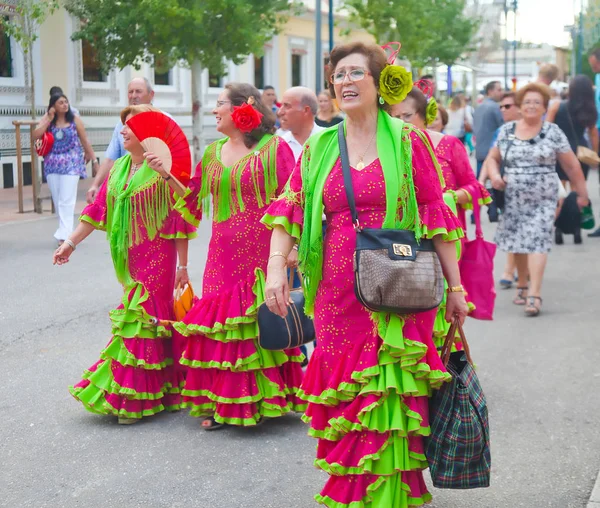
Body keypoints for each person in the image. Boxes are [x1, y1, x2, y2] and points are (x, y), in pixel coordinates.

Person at [263, 42, 468, 508]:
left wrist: (455, 288)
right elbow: (289, 210)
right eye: (338, 75)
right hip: (336, 298)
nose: (345, 81)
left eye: (356, 73)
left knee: (387, 401)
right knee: (347, 401)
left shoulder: (409, 141)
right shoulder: (318, 145)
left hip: (395, 292)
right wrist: (277, 267)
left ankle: (389, 498)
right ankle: (353, 495)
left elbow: (437, 218)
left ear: (380, 84)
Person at [173, 83, 305, 430]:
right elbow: (191, 197)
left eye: (219, 104)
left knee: (259, 317)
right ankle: (222, 401)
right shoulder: (213, 152)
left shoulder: (274, 148)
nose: (214, 110)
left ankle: (266, 399)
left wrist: (291, 248)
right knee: (224, 324)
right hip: (221, 253)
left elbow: (293, 197)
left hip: (262, 251)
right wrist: (164, 174)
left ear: (242, 108)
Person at [54, 105, 195, 424]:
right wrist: (70, 242)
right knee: (149, 321)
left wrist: (182, 267)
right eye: (123, 124)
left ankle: (131, 397)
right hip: (128, 257)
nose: (124, 130)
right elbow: (97, 212)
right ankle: (167, 387)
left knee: (140, 318)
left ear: (149, 134)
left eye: (131, 125)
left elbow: (184, 212)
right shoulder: (118, 168)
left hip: (158, 256)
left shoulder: (162, 169)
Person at [392, 86, 491, 345]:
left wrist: (449, 197)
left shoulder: (448, 144)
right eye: (394, 116)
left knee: (444, 297)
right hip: (403, 237)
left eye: (407, 116)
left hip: (444, 235)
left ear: (424, 116)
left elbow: (474, 186)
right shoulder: (387, 148)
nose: (400, 123)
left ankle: (444, 363)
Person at [486, 83, 589, 317]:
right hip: (512, 198)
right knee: (518, 243)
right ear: (520, 107)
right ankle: (522, 283)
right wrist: (494, 176)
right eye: (527, 102)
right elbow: (493, 158)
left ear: (544, 107)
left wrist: (582, 194)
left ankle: (534, 293)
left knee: (537, 241)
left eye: (537, 102)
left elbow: (571, 166)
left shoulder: (552, 132)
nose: (531, 106)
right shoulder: (507, 130)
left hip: (544, 199)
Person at [34, 94, 96, 245]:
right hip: (52, 166)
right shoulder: (48, 121)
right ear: (53, 106)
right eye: (60, 102)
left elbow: (85, 140)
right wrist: (48, 118)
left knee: (66, 201)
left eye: (66, 101)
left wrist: (94, 160)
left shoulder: (75, 119)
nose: (64, 104)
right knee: (58, 200)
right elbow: (35, 135)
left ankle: (66, 236)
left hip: (72, 165)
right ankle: (65, 231)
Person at [86, 78, 155, 203]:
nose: (133, 96)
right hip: (123, 186)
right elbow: (110, 159)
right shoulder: (121, 124)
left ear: (151, 95)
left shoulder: (163, 121)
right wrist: (95, 185)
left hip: (150, 189)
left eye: (138, 91)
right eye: (130, 92)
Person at [547, 75, 599, 244]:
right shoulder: (590, 111)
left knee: (559, 193)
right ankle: (576, 229)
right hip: (580, 153)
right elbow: (593, 135)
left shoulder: (557, 107)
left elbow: (547, 129)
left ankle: (559, 229)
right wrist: (594, 154)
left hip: (559, 153)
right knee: (578, 192)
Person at [480, 92, 521, 289]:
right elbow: (491, 157)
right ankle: (518, 270)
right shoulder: (502, 131)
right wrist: (483, 181)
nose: (503, 110)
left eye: (508, 106)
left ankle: (511, 270)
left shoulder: (539, 128)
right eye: (501, 106)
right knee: (512, 228)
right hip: (506, 188)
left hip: (533, 191)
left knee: (519, 230)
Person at [473, 80, 504, 221]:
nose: (501, 92)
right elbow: (502, 127)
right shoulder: (496, 108)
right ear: (490, 91)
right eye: (499, 89)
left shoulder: (478, 107)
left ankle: (477, 213)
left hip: (480, 149)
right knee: (493, 181)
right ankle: (492, 209)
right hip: (492, 151)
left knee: (480, 182)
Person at [278, 86, 323, 160]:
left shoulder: (328, 141)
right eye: (281, 106)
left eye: (287, 106)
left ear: (305, 110)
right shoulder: (279, 146)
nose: (280, 112)